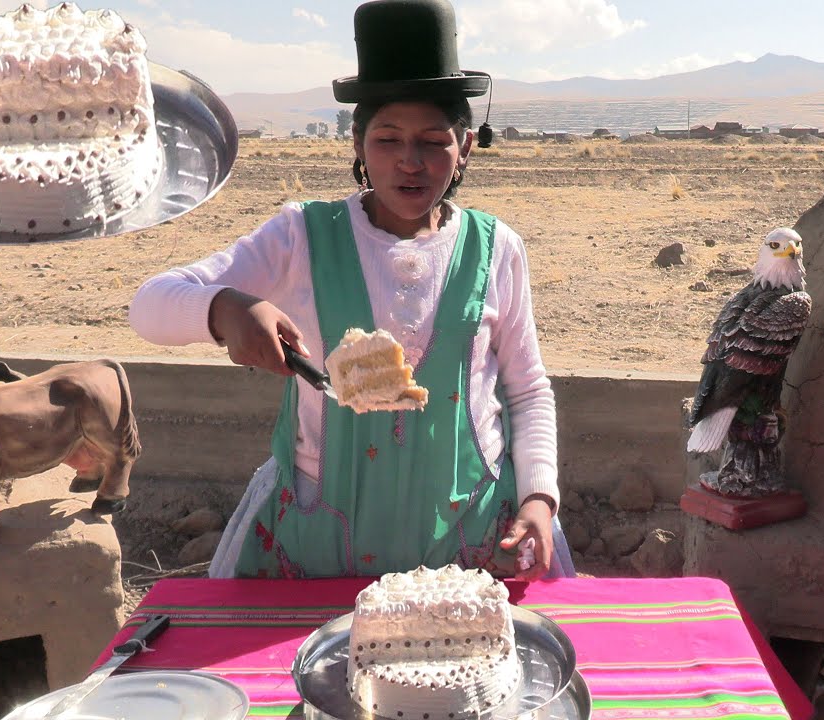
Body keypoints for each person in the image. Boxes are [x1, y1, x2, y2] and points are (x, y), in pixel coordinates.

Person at [129, 0, 573, 582]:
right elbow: (149, 306)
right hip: (323, 540)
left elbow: (526, 388)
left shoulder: (498, 250)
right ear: (358, 144)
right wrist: (225, 309)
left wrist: (539, 496)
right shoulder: (301, 237)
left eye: (433, 141)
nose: (410, 162)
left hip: (474, 538)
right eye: (388, 140)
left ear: (465, 147)